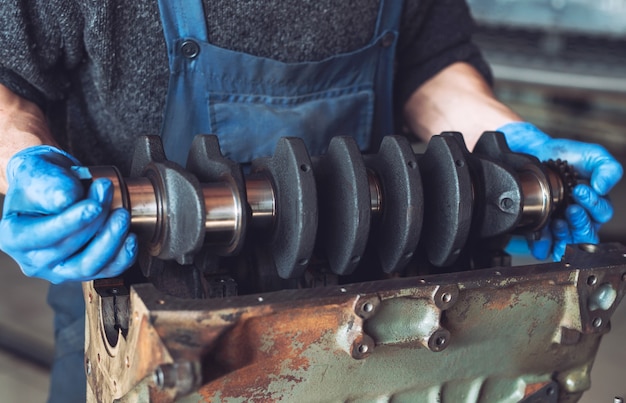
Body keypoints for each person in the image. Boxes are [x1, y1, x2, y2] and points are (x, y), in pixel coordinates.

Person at [0, 0, 621, 401]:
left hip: (369, 287)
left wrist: (504, 145)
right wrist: (23, 159)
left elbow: (430, 59)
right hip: (130, 287)